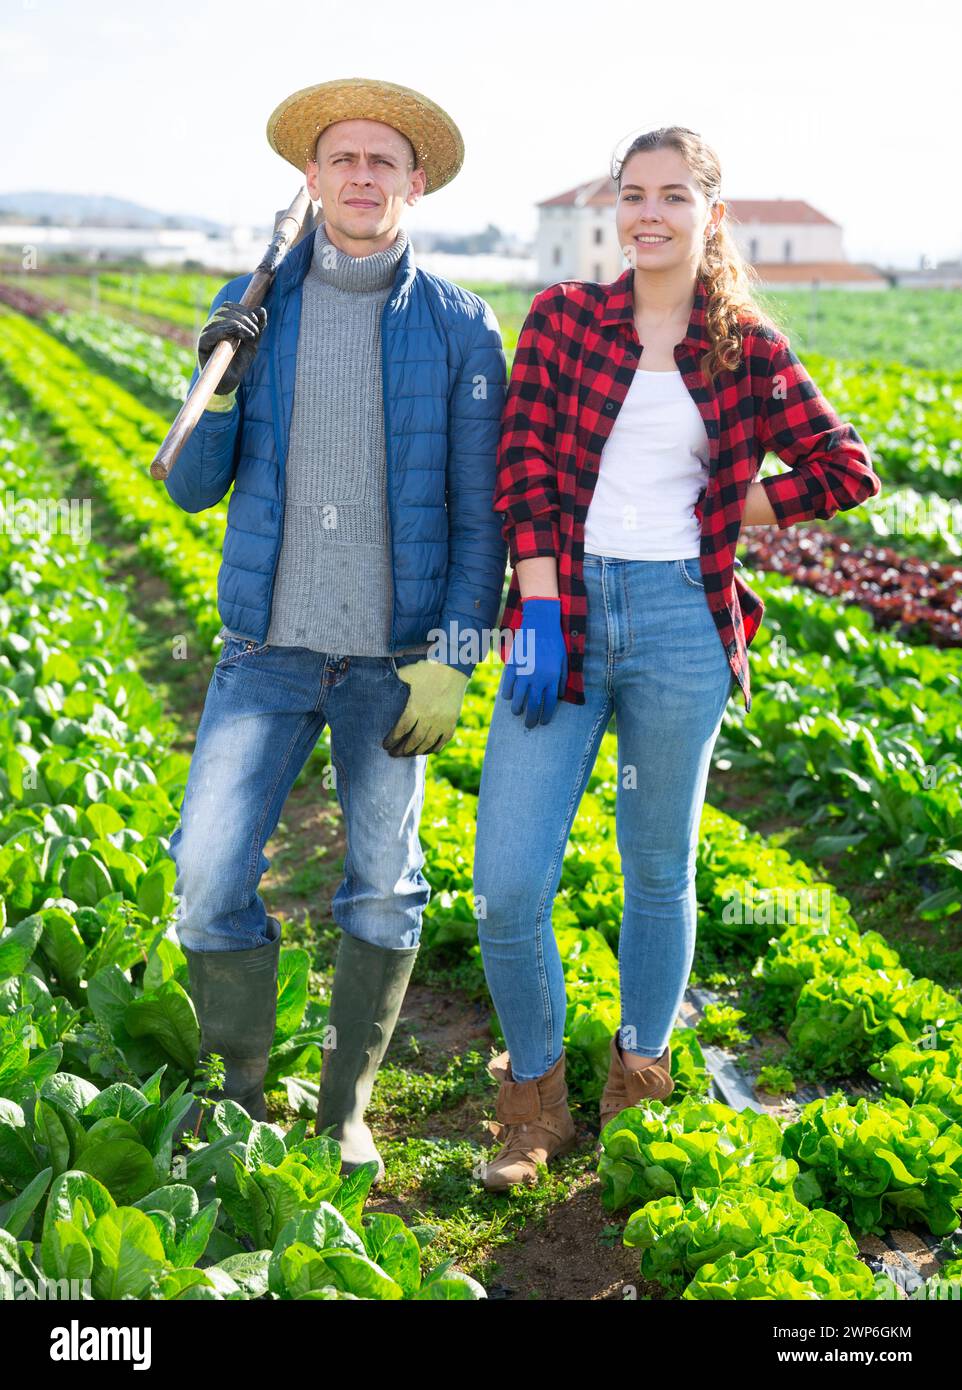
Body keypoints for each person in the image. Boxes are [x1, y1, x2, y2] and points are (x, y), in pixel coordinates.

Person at [472, 125, 882, 1191]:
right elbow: (518, 470)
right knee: (508, 884)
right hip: (558, 617)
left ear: (709, 211)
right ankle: (532, 1097)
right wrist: (539, 605)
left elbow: (845, 467)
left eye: (671, 195)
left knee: (659, 870)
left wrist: (723, 509)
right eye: (632, 193)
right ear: (615, 209)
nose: (647, 212)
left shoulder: (742, 342)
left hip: (678, 625)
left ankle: (637, 1079)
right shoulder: (563, 319)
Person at [162, 78, 507, 1181]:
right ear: (309, 180)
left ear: (413, 186)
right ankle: (240, 1091)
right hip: (267, 651)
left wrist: (453, 659)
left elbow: (479, 511)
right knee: (209, 873)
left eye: (383, 162)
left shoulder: (458, 327)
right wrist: (219, 382)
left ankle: (345, 1107)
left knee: (381, 881)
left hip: (389, 663)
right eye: (342, 160)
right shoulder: (253, 302)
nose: (361, 178)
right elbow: (191, 489)